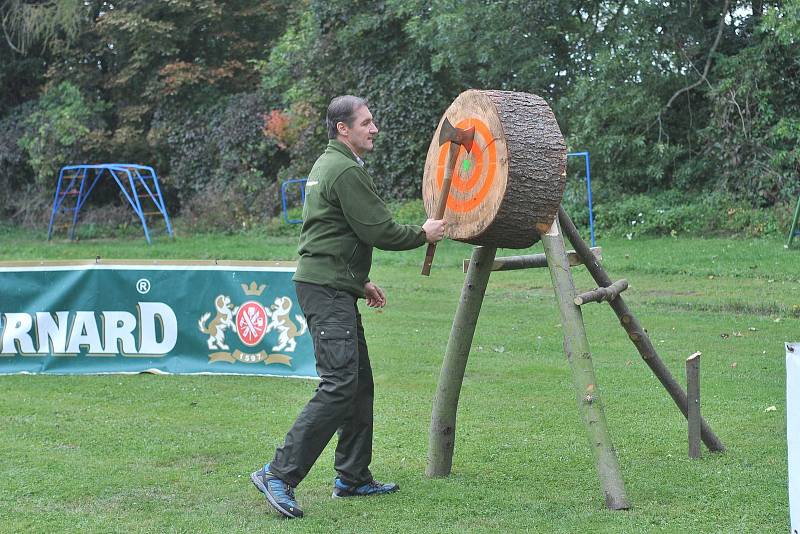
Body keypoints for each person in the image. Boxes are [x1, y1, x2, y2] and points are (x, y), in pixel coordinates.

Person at [250, 95, 446, 519]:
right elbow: (380, 229)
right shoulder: (343, 169)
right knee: (340, 383)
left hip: (333, 283)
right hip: (326, 290)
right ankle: (278, 474)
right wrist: (424, 233)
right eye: (366, 123)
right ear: (344, 129)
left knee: (357, 384)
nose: (374, 129)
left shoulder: (329, 165)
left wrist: (360, 281)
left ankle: (352, 478)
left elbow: (333, 233)